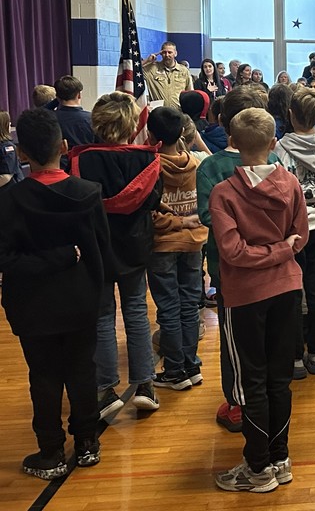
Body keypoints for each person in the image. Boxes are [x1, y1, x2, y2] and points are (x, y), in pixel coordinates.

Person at [0, 108, 111, 479]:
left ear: (22, 153)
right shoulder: (88, 193)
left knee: (44, 376)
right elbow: (101, 254)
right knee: (83, 372)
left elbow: (7, 260)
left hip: (34, 306)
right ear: (64, 147)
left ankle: (51, 451)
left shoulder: (10, 201)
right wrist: (66, 260)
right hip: (82, 300)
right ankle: (87, 444)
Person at [209, 107, 308, 492]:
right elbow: (299, 240)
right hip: (286, 288)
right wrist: (281, 251)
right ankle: (278, 458)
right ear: (272, 144)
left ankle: (260, 467)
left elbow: (233, 253)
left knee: (253, 381)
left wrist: (273, 251)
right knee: (278, 380)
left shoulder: (223, 192)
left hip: (246, 296)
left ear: (232, 144)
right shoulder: (291, 185)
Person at [69, 92, 163, 420]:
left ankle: (106, 388)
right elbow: (152, 202)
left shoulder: (81, 160)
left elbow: (77, 204)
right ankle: (145, 387)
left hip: (97, 246)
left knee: (103, 315)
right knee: (136, 311)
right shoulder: (149, 160)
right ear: (131, 124)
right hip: (135, 246)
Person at [197, 86, 280, 433]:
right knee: (263, 336)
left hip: (231, 269)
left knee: (235, 339)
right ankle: (260, 398)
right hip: (270, 265)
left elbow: (207, 217)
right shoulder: (274, 162)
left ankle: (238, 403)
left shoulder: (212, 167)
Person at [275, 89, 315, 377]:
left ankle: (295, 356)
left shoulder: (282, 148)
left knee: (292, 292)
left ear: (290, 114)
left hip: (293, 229)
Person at [146, 107, 208, 390]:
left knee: (169, 308)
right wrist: (186, 220)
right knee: (188, 305)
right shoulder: (196, 163)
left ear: (151, 136)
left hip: (163, 246)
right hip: (193, 242)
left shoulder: (151, 169)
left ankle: (175, 371)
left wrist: (176, 221)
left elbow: (153, 217)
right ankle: (190, 364)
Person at [143, 41, 194, 108]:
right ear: (160, 54)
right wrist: (147, 61)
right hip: (159, 113)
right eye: (164, 52)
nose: (167, 55)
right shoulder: (152, 69)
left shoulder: (184, 71)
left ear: (175, 53)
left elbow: (190, 92)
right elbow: (133, 70)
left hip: (178, 113)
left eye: (170, 52)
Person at [52, 75, 95, 152]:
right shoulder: (92, 119)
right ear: (79, 95)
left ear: (57, 97)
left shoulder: (49, 119)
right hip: (87, 161)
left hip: (60, 162)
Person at [0, 110, 24, 187]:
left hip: (11, 190)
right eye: (8, 123)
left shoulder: (7, 147)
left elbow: (6, 176)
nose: (10, 124)